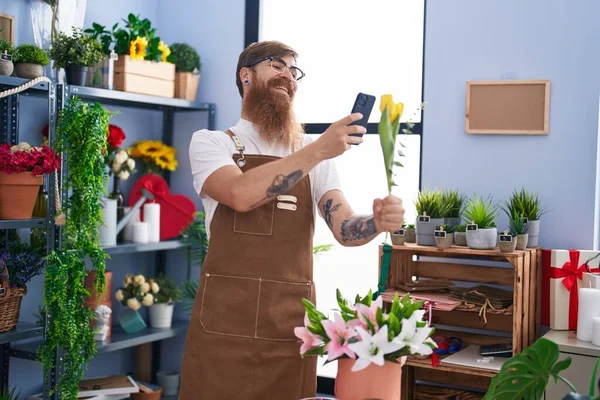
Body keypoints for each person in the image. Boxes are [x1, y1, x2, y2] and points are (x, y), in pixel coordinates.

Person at [179, 40, 405, 400]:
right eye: (276, 65)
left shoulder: (313, 156)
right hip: (223, 323)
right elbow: (240, 194)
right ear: (246, 75)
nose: (288, 75)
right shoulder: (212, 143)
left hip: (289, 328)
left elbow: (344, 229)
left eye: (293, 70)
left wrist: (376, 222)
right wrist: (318, 149)